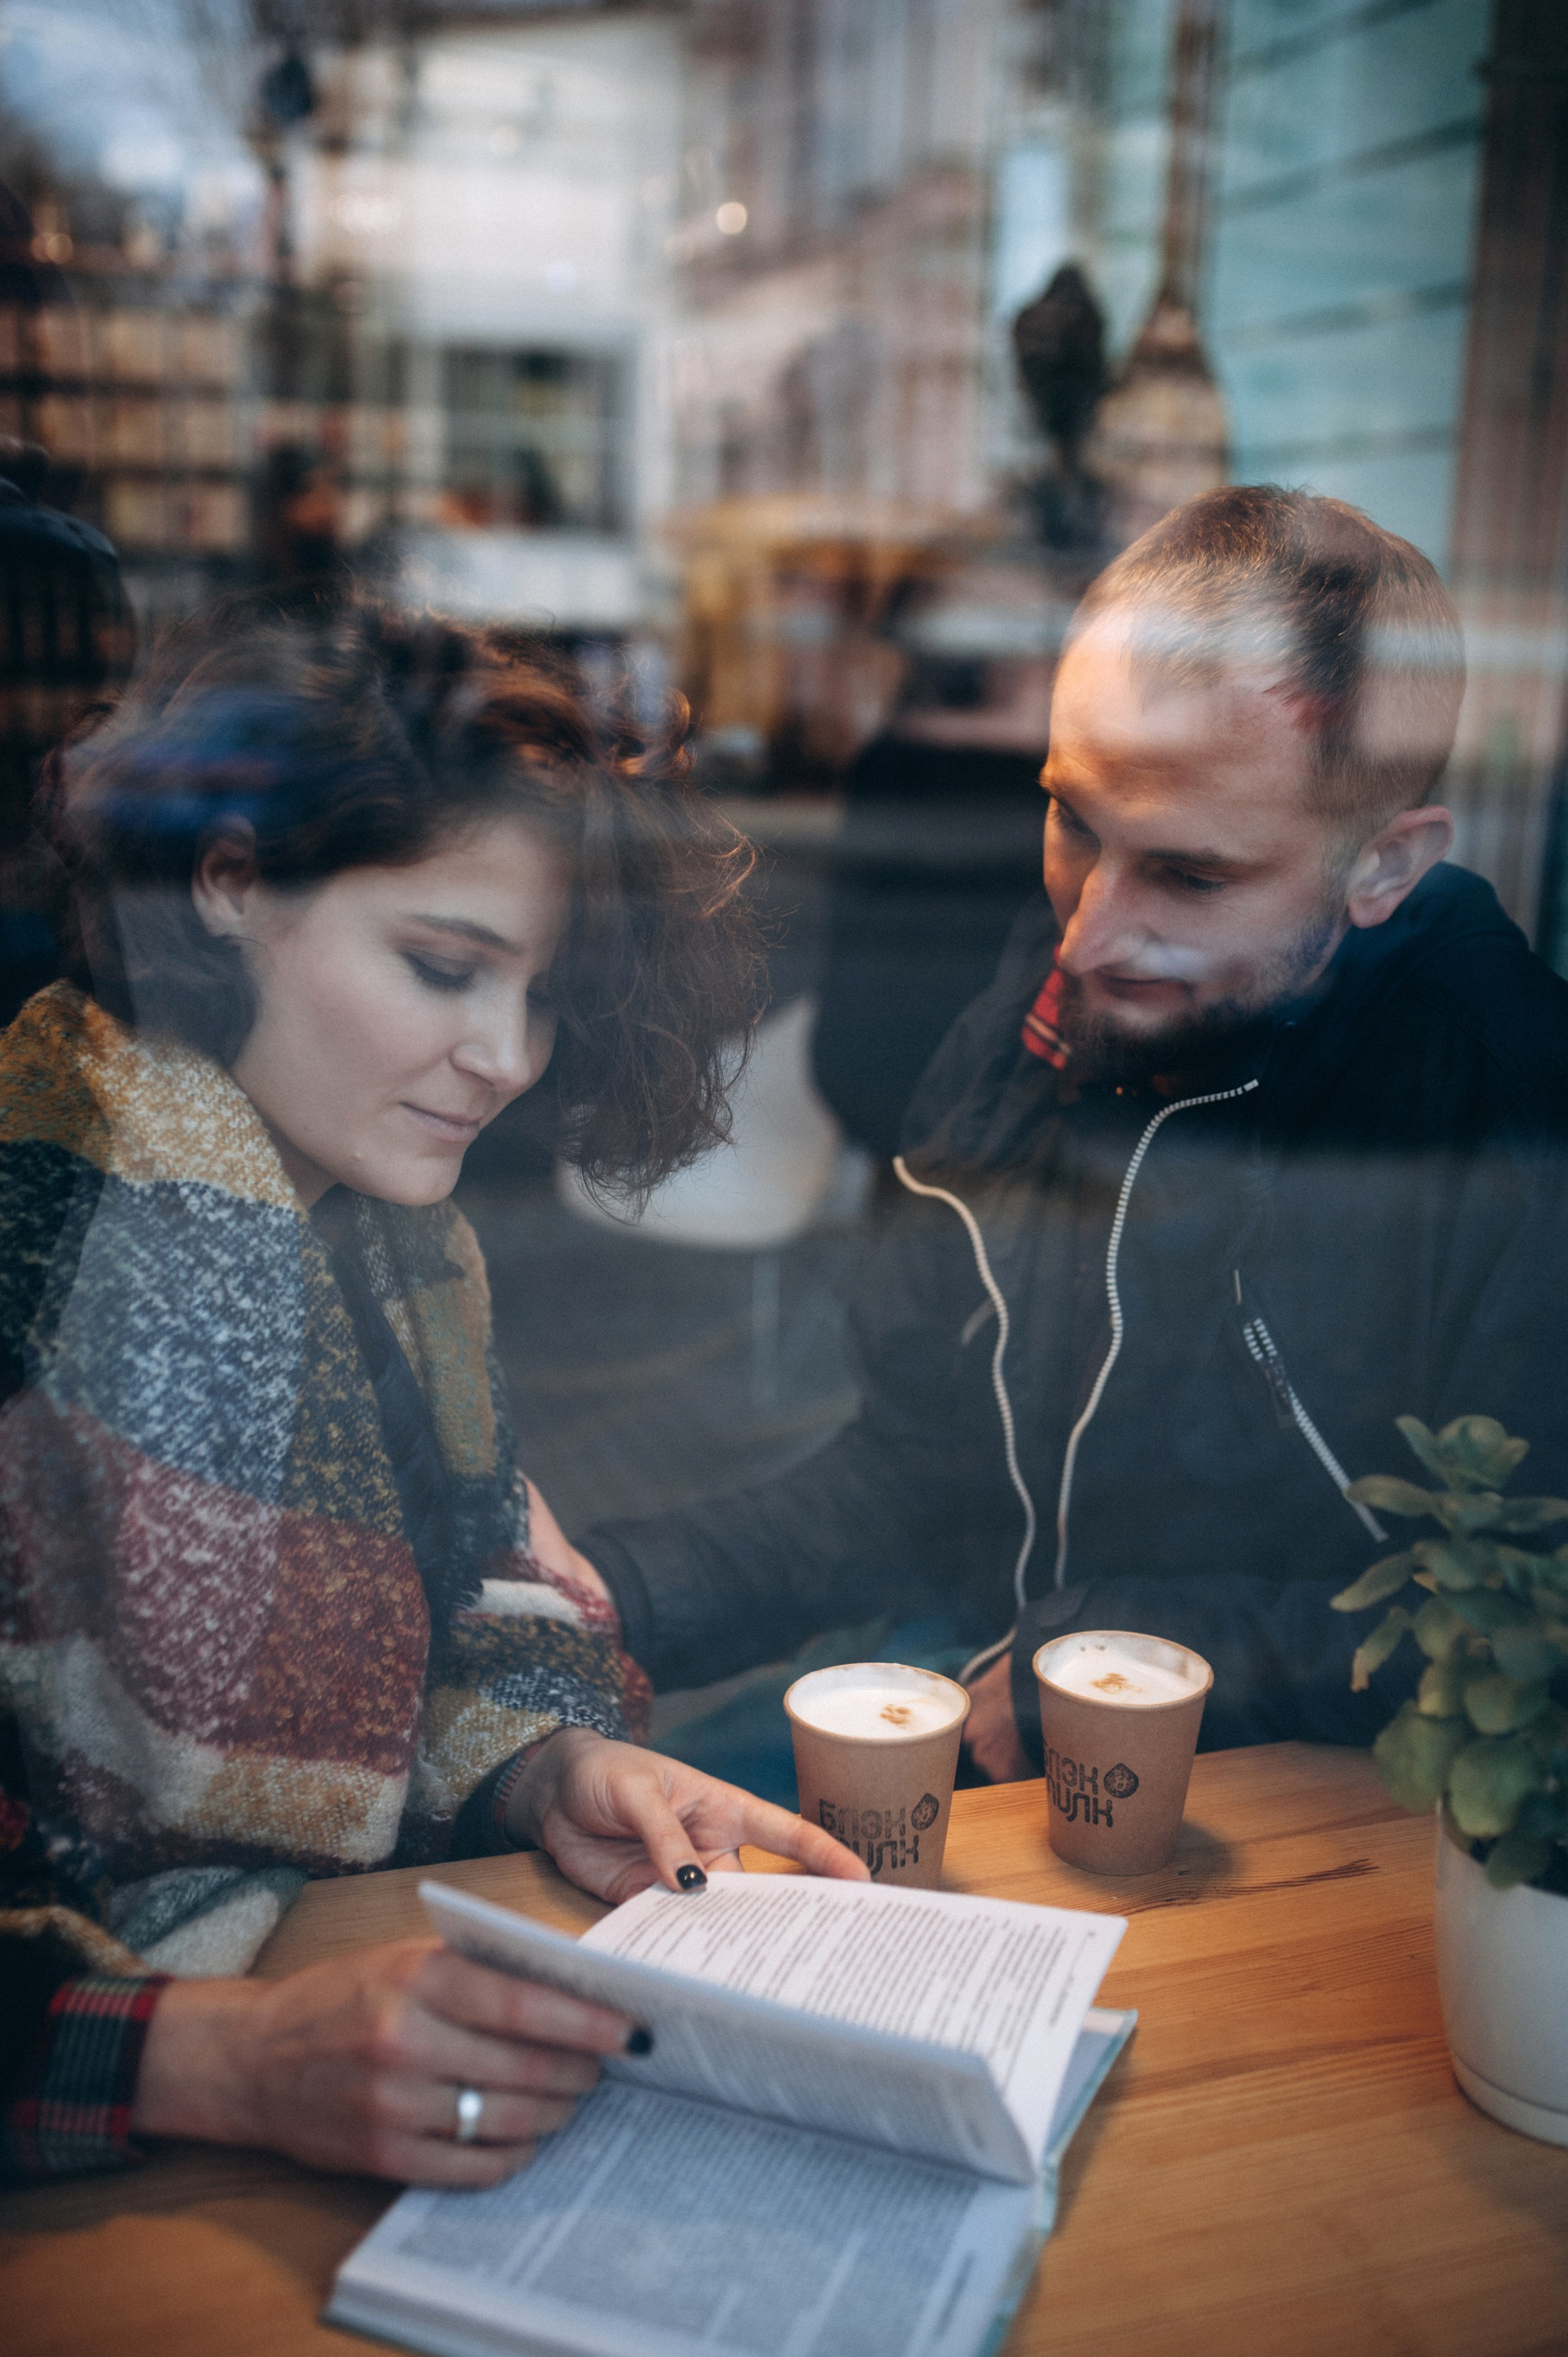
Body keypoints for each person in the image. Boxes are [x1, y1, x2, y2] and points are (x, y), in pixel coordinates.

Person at [0, 592, 864, 2190]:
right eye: (441, 967)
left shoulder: (395, 1250)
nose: (507, 1057)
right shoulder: (39, 1235)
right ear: (229, 880)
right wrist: (224, 2060)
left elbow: (458, 1613)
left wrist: (546, 1768)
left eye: (537, 995)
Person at [551, 486, 1568, 1782]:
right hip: (993, 1672)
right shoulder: (1061, 997)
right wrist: (623, 1590)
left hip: (1310, 1799)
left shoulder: (1499, 1109)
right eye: (1071, 823)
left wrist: (1117, 1664)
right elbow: (925, 1476)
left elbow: (1519, 1626)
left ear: (1382, 866)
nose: (1088, 933)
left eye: (1189, 875)